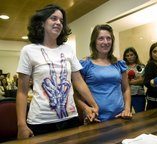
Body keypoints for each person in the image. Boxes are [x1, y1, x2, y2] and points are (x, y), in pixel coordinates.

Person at [16, 4, 99, 139]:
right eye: (53, 18)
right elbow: (22, 91)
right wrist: (21, 125)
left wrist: (93, 105)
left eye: (61, 20)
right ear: (42, 23)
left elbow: (78, 81)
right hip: (41, 122)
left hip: (70, 119)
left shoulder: (67, 49)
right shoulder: (28, 51)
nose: (58, 23)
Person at [77, 24, 132, 122]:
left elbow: (126, 88)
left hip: (119, 117)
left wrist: (127, 109)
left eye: (108, 38)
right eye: (101, 38)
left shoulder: (119, 63)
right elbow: (76, 94)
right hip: (96, 119)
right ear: (94, 42)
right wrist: (86, 109)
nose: (105, 42)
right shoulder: (85, 64)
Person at [123, 47, 146, 112]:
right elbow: (122, 81)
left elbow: (142, 80)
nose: (129, 57)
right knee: (126, 114)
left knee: (140, 115)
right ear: (125, 57)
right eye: (127, 55)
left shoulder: (141, 66)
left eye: (131, 55)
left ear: (135, 55)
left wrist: (129, 82)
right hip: (126, 95)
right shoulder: (123, 67)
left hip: (139, 95)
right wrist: (136, 80)